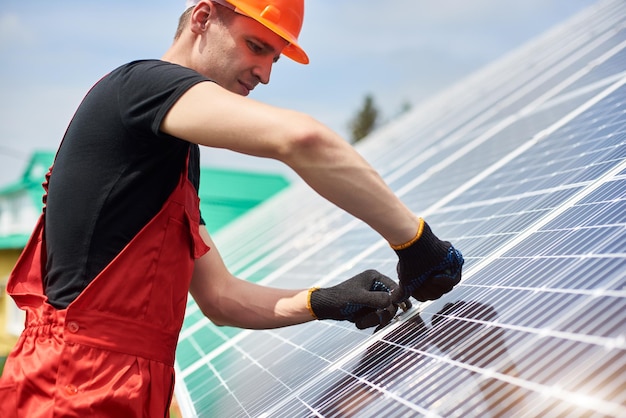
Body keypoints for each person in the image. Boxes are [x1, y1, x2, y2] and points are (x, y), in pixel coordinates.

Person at [0, 0, 464, 416]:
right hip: (70, 389)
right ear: (202, 17)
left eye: (275, 59)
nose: (265, 73)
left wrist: (323, 301)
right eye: (256, 46)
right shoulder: (140, 88)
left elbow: (219, 298)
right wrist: (414, 240)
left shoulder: (174, 152)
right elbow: (301, 139)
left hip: (120, 389)